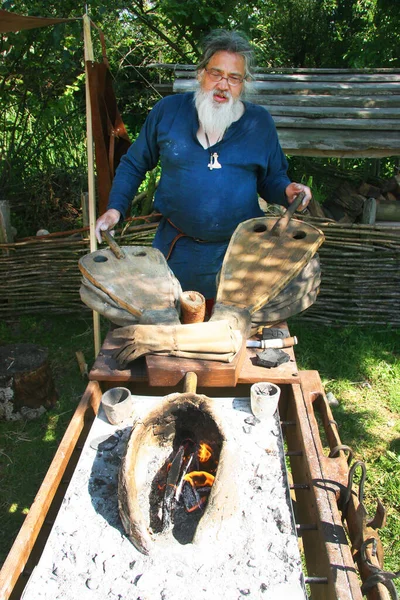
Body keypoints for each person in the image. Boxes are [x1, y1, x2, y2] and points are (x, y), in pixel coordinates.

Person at [95, 29, 311, 301]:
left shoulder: (260, 124)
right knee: (170, 331)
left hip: (239, 254)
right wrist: (115, 209)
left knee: (231, 333)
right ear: (200, 73)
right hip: (175, 249)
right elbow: (134, 164)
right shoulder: (168, 112)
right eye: (216, 74)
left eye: (234, 78)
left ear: (243, 84)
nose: (223, 85)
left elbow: (272, 179)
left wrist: (287, 190)